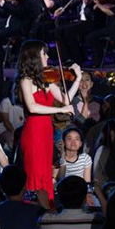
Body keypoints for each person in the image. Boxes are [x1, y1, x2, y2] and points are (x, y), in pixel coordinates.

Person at [16, 40, 81, 201]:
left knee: (45, 172)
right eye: (43, 53)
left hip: (46, 131)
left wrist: (78, 79)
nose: (47, 56)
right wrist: (60, 110)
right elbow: (32, 107)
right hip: (34, 132)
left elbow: (65, 100)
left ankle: (47, 209)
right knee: (35, 173)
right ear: (34, 56)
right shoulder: (26, 80)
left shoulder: (47, 78)